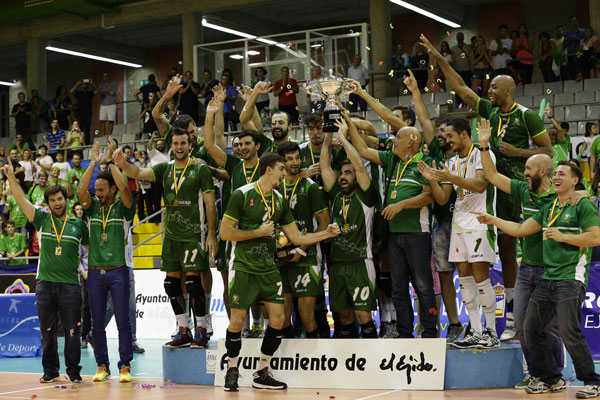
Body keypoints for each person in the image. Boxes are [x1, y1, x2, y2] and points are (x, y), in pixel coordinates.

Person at [420, 33, 553, 342]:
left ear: (508, 90)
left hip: (514, 187)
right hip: (489, 185)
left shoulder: (526, 115)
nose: (489, 90)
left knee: (510, 250)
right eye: (489, 86)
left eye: (494, 86)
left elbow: (547, 147)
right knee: (498, 250)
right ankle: (492, 322)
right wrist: (440, 61)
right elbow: (462, 89)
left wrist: (518, 153)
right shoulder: (489, 112)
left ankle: (511, 316)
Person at [473, 161, 600, 398]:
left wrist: (563, 237)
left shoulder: (582, 204)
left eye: (563, 174)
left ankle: (592, 381)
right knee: (530, 328)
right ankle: (550, 378)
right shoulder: (550, 208)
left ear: (575, 180)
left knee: (568, 331)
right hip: (548, 277)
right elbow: (521, 230)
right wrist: (493, 220)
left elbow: (596, 237)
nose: (557, 177)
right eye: (556, 174)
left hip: (570, 278)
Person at [220, 152, 340, 391]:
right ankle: (232, 370)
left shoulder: (279, 201)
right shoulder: (241, 195)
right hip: (243, 266)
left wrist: (326, 233)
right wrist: (257, 232)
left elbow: (295, 237)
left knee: (278, 320)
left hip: (268, 268)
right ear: (268, 170)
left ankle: (262, 371)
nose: (285, 174)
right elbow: (225, 233)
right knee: (237, 321)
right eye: (281, 169)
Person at [477, 119, 576, 388]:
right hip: (527, 269)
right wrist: (484, 146)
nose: (524, 172)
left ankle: (554, 376)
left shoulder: (558, 199)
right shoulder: (524, 190)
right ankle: (536, 373)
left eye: (529, 168)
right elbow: (493, 177)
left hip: (552, 271)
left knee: (549, 328)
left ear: (543, 171)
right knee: (521, 325)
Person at [115, 128, 217, 349]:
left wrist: (211, 235)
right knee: (171, 284)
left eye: (183, 143)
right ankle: (183, 330)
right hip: (171, 236)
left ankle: (201, 329)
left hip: (193, 234)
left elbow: (210, 204)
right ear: (171, 145)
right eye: (176, 143)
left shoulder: (200, 169)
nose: (179, 147)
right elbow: (139, 173)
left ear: (190, 145)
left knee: (192, 282)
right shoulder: (165, 168)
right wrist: (122, 163)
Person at [418, 118, 499, 349]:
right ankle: (474, 329)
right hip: (459, 224)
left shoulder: (484, 155)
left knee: (481, 277)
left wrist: (451, 178)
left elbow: (481, 185)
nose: (447, 140)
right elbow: (443, 198)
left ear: (464, 134)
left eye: (450, 136)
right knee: (464, 280)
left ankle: (490, 331)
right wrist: (433, 180)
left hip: (480, 221)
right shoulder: (451, 162)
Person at [4, 164, 88, 383]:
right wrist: (12, 177)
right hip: (45, 284)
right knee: (47, 331)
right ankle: (50, 370)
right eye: (52, 200)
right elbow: (21, 199)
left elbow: (92, 251)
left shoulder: (78, 225)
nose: (57, 203)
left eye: (59, 199)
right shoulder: (41, 220)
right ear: (48, 203)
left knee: (72, 332)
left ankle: (73, 371)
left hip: (70, 285)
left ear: (65, 199)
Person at [77, 141, 135, 383]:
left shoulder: (124, 209)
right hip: (95, 273)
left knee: (123, 321)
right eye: (97, 190)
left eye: (102, 190)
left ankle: (125, 366)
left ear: (111, 189)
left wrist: (110, 163)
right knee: (97, 322)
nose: (97, 194)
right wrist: (93, 162)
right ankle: (103, 365)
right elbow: (81, 191)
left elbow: (124, 188)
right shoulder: (92, 211)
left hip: (119, 272)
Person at [320, 116, 379, 338]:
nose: (343, 177)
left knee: (364, 317)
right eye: (342, 173)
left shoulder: (366, 195)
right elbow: (325, 165)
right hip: (336, 265)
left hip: (360, 263)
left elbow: (360, 168)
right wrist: (328, 136)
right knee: (343, 318)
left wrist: (343, 138)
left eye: (348, 173)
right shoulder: (336, 194)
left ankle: (372, 363)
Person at [276, 142, 331, 338]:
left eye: (297, 158)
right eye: (289, 159)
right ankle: (289, 361)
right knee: (281, 317)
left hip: (306, 257)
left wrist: (301, 250)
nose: (295, 162)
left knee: (307, 316)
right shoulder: (275, 187)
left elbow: (325, 223)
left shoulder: (311, 187)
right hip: (280, 257)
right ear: (281, 162)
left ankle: (314, 361)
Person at [69, 79, 97, 145]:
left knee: (87, 131)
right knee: (80, 130)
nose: (84, 85)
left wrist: (92, 84)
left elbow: (97, 91)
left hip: (88, 114)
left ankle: (87, 144)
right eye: (83, 84)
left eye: (85, 84)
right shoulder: (78, 93)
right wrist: (77, 84)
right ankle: (80, 144)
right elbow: (71, 91)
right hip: (80, 114)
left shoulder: (90, 92)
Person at [451, 32, 472, 104]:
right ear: (456, 38)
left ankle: (468, 104)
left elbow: (471, 59)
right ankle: (459, 104)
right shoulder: (453, 49)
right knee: (459, 88)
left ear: (463, 37)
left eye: (461, 36)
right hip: (458, 71)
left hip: (467, 70)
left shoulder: (468, 47)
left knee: (468, 88)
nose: (460, 38)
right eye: (458, 36)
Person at [564, 16, 585, 80]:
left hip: (580, 51)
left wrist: (577, 39)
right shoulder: (567, 33)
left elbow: (586, 43)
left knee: (579, 64)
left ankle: (580, 75)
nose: (574, 22)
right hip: (571, 53)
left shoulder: (583, 31)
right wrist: (570, 39)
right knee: (571, 69)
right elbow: (564, 45)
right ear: (570, 23)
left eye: (575, 20)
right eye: (572, 21)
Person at [98, 72, 118, 137]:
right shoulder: (101, 85)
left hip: (112, 104)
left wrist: (105, 91)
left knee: (110, 120)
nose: (105, 78)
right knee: (102, 120)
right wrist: (107, 91)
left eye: (106, 76)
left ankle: (109, 135)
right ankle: (103, 135)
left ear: (109, 77)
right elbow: (100, 92)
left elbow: (112, 92)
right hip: (103, 104)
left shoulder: (113, 84)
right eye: (104, 76)